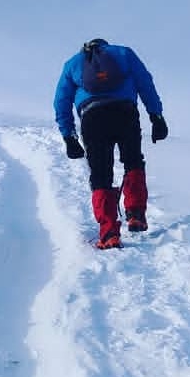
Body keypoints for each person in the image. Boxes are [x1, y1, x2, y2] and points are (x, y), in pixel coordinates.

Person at [53, 38, 168, 250]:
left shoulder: (73, 63)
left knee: (100, 173)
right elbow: (145, 82)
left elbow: (61, 100)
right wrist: (156, 116)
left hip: (92, 117)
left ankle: (108, 233)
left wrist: (68, 135)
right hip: (125, 112)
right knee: (133, 160)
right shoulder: (123, 53)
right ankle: (136, 214)